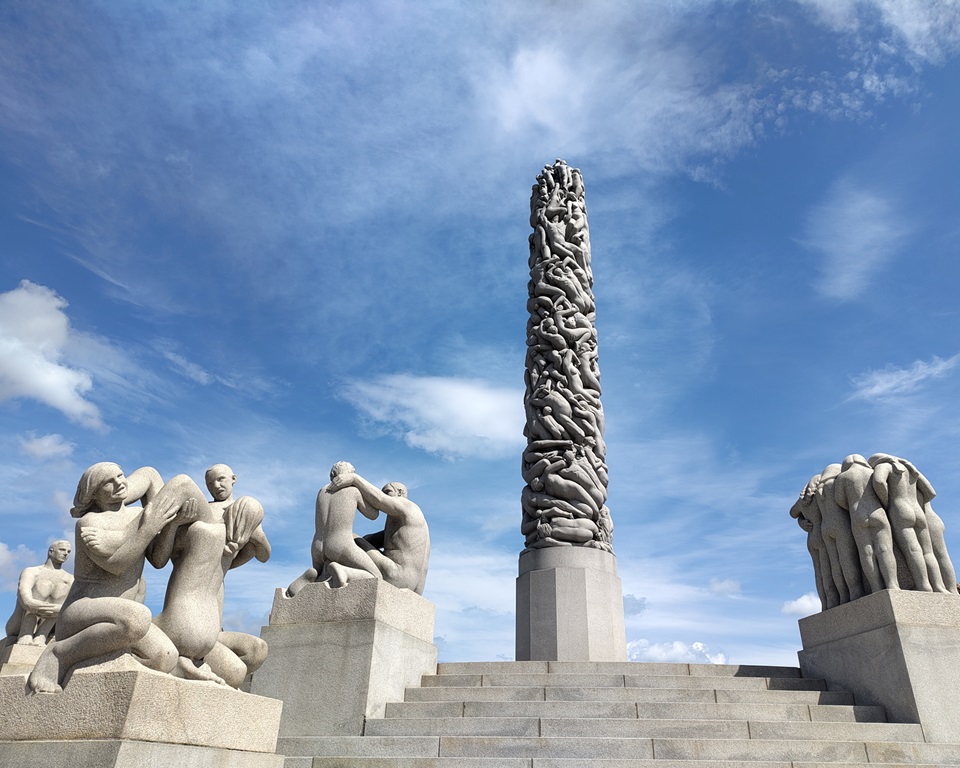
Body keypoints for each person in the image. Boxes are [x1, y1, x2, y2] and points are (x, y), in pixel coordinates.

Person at [28, 463, 194, 693]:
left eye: (120, 476)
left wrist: (172, 524)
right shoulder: (90, 523)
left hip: (121, 617)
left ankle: (99, 668)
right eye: (108, 482)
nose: (119, 483)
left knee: (166, 656)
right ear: (93, 493)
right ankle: (59, 654)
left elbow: (158, 560)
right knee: (137, 618)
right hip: (83, 611)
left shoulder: (138, 515)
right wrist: (149, 527)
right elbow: (117, 566)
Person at [149, 465, 270, 686]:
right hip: (186, 599)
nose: (216, 485)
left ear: (233, 479)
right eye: (210, 483)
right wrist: (175, 523)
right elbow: (159, 560)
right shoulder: (198, 510)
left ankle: (186, 660)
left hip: (212, 605)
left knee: (253, 653)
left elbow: (263, 553)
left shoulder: (242, 512)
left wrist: (241, 545)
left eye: (221, 479)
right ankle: (180, 661)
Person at [286, 461, 382, 596]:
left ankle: (312, 576)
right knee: (376, 576)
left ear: (332, 474)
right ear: (351, 475)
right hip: (340, 544)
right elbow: (373, 515)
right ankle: (344, 571)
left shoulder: (322, 492)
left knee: (321, 575)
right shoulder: (353, 491)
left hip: (317, 546)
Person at [328, 473, 430, 595]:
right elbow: (373, 539)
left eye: (387, 492)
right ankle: (348, 572)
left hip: (395, 573)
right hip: (412, 585)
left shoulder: (408, 507)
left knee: (352, 537)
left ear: (400, 492)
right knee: (363, 541)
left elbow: (379, 500)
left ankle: (342, 571)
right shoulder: (417, 527)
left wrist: (354, 479)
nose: (384, 495)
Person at [3, 541, 74, 648]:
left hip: (50, 624)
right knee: (44, 585)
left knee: (62, 587)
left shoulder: (69, 578)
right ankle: (26, 633)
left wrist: (55, 609)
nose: (66, 554)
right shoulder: (32, 571)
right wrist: (35, 605)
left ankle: (41, 635)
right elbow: (24, 596)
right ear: (51, 551)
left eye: (68, 551)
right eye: (62, 550)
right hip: (19, 624)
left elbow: (72, 606)